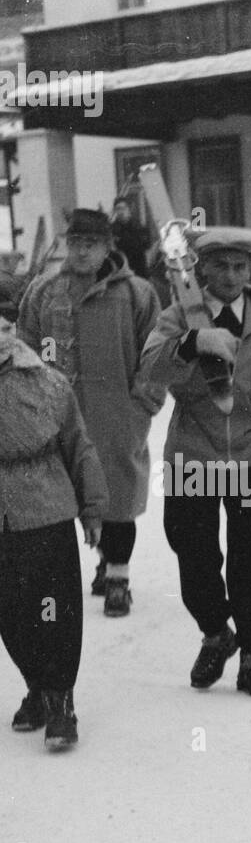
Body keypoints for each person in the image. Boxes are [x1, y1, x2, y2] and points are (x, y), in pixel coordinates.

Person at [140, 228, 251, 699]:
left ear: (250, 270)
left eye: (240, 267)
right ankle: (216, 632)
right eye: (221, 267)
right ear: (200, 270)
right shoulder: (179, 316)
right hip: (194, 449)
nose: (232, 276)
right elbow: (151, 370)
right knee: (191, 548)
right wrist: (193, 343)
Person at [18, 207, 164, 618]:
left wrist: (143, 405)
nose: (81, 252)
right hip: (55, 417)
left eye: (91, 244)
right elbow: (26, 345)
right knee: (61, 497)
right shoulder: (45, 290)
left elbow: (158, 353)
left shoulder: (135, 293)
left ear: (107, 247)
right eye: (75, 243)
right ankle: (87, 568)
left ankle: (118, 577)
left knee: (116, 496)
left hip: (117, 414)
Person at [0, 315, 108, 750]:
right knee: (11, 613)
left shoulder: (45, 381)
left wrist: (94, 508)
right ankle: (37, 688)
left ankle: (61, 700)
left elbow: (78, 445)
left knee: (54, 610)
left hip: (46, 511)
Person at [110, 195, 153, 280]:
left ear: (129, 209)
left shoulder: (139, 227)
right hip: (120, 274)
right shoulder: (112, 230)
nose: (121, 212)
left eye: (123, 208)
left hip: (139, 272)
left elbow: (146, 245)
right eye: (118, 209)